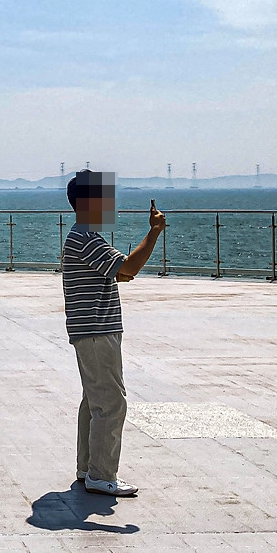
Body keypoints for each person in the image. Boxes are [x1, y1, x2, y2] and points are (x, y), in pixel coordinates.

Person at [62, 171, 166, 497]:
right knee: (111, 403)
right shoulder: (86, 238)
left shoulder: (84, 237)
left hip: (91, 330)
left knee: (94, 401)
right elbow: (130, 268)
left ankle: (87, 468)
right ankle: (102, 474)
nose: (111, 205)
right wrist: (154, 232)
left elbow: (121, 272)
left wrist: (123, 269)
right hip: (97, 331)